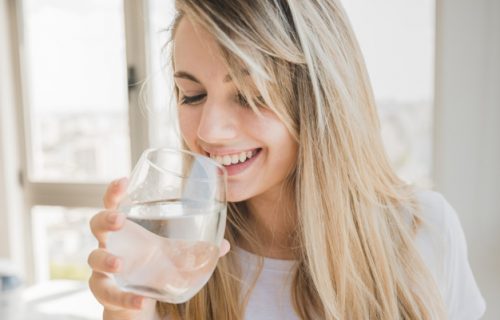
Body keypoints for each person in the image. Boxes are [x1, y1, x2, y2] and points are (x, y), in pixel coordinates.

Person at [87, 0, 486, 319]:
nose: (209, 130)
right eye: (191, 95)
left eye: (249, 93)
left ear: (319, 97)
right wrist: (126, 314)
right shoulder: (172, 263)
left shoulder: (426, 232)